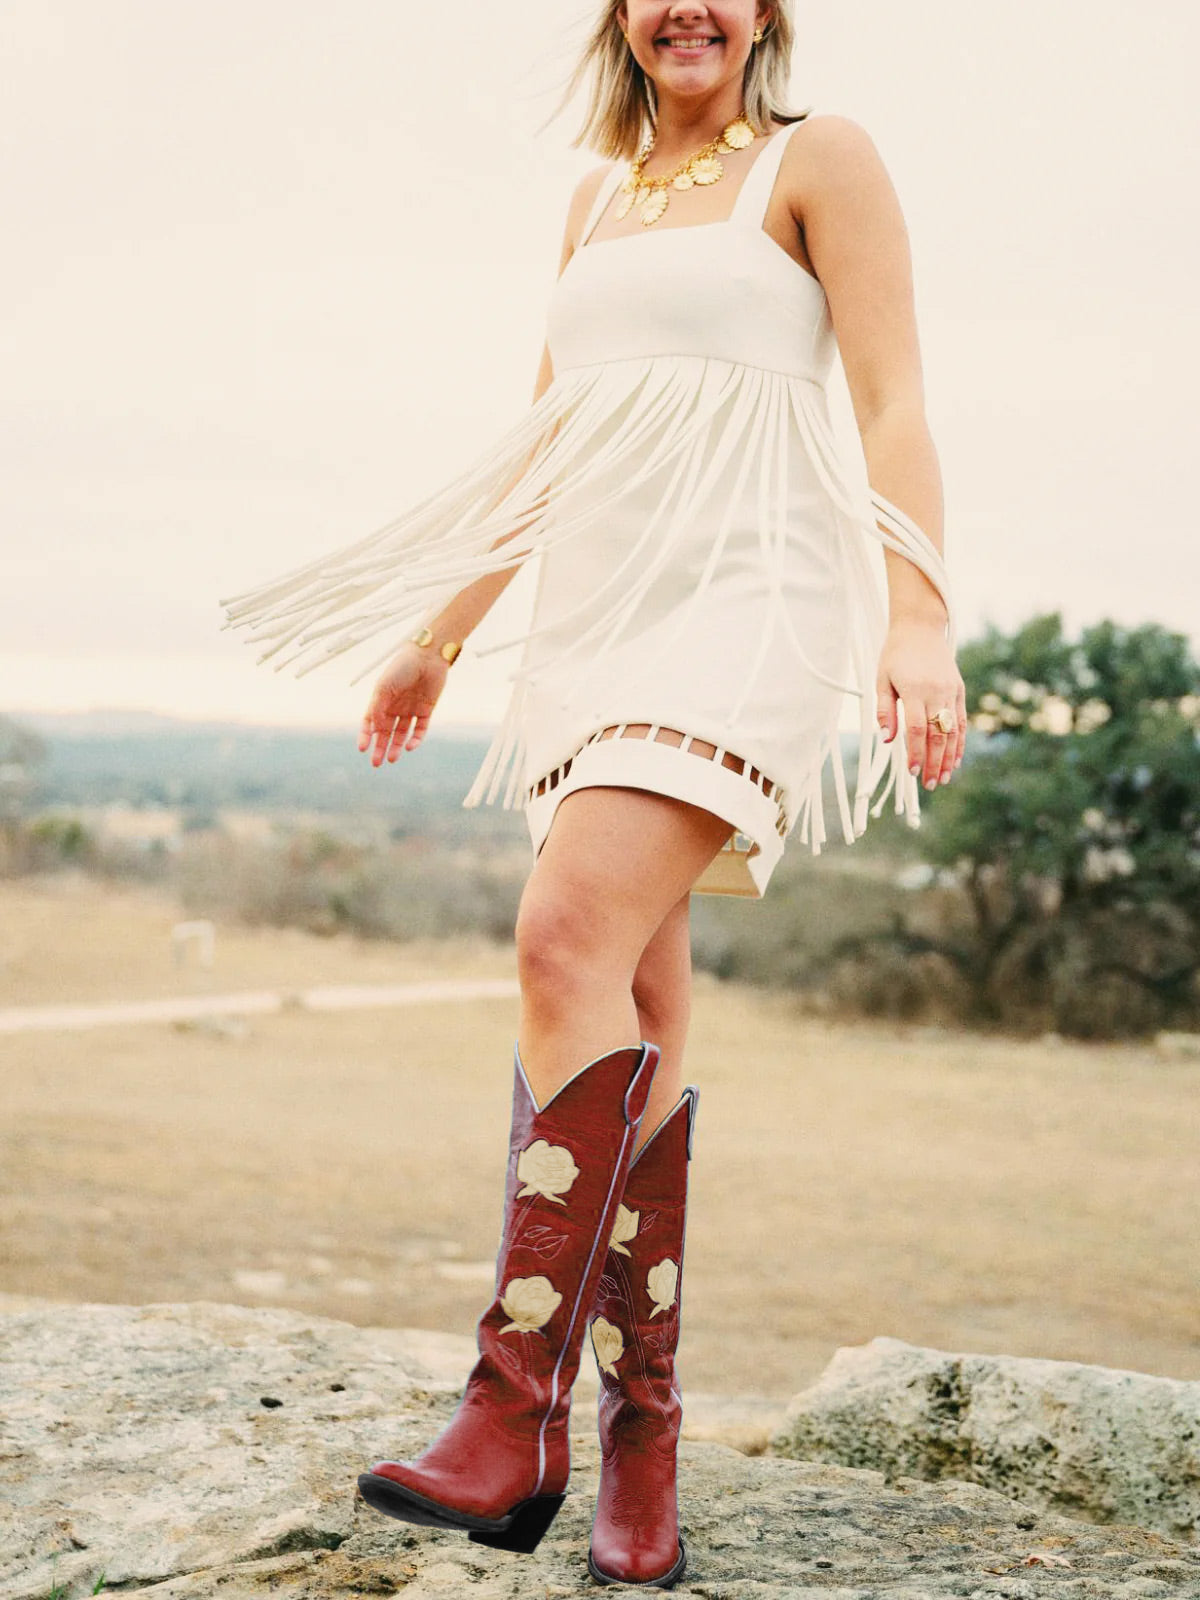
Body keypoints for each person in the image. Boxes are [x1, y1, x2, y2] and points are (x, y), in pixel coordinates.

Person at [222, 0, 965, 1587]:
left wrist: (921, 613)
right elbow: (545, 446)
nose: (685, 4)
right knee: (630, 990)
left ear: (764, 11)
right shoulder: (595, 198)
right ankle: (643, 1428)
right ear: (625, 17)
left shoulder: (817, 158)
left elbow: (892, 399)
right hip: (598, 615)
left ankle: (514, 1410)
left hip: (748, 599)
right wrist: (439, 636)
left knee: (561, 937)